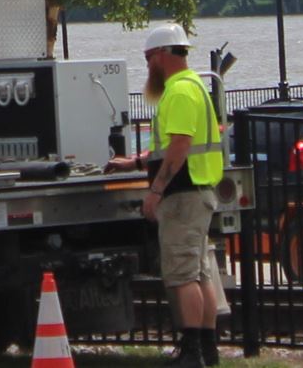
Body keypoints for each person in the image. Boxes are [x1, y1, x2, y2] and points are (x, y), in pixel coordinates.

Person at [108, 22, 225, 366]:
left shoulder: (178, 92)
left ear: (160, 56)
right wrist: (136, 162)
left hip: (183, 195)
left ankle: (192, 352)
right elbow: (171, 148)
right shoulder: (194, 88)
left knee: (181, 274)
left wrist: (155, 191)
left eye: (147, 60)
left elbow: (179, 148)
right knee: (198, 273)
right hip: (198, 191)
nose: (147, 67)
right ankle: (206, 349)